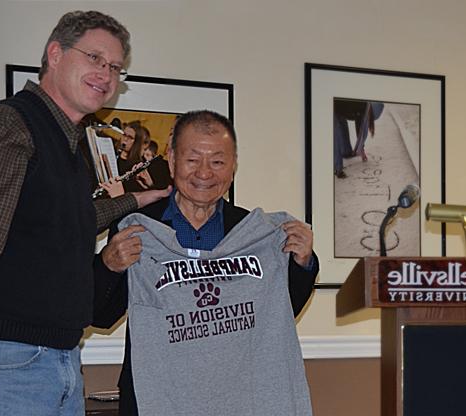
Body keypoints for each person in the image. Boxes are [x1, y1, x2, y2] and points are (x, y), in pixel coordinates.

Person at [0, 10, 168, 416]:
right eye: (94, 58)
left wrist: (137, 200)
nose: (105, 75)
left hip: (60, 362)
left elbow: (66, 220)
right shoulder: (7, 127)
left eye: (114, 68)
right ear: (55, 54)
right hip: (6, 366)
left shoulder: (67, 146)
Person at [92, 110, 318, 415]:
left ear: (233, 166)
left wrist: (301, 263)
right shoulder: (138, 229)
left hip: (241, 397)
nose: (204, 172)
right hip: (159, 397)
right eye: (192, 159)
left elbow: (274, 313)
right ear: (172, 160)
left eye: (217, 161)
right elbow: (101, 316)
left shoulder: (252, 233)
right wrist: (108, 266)